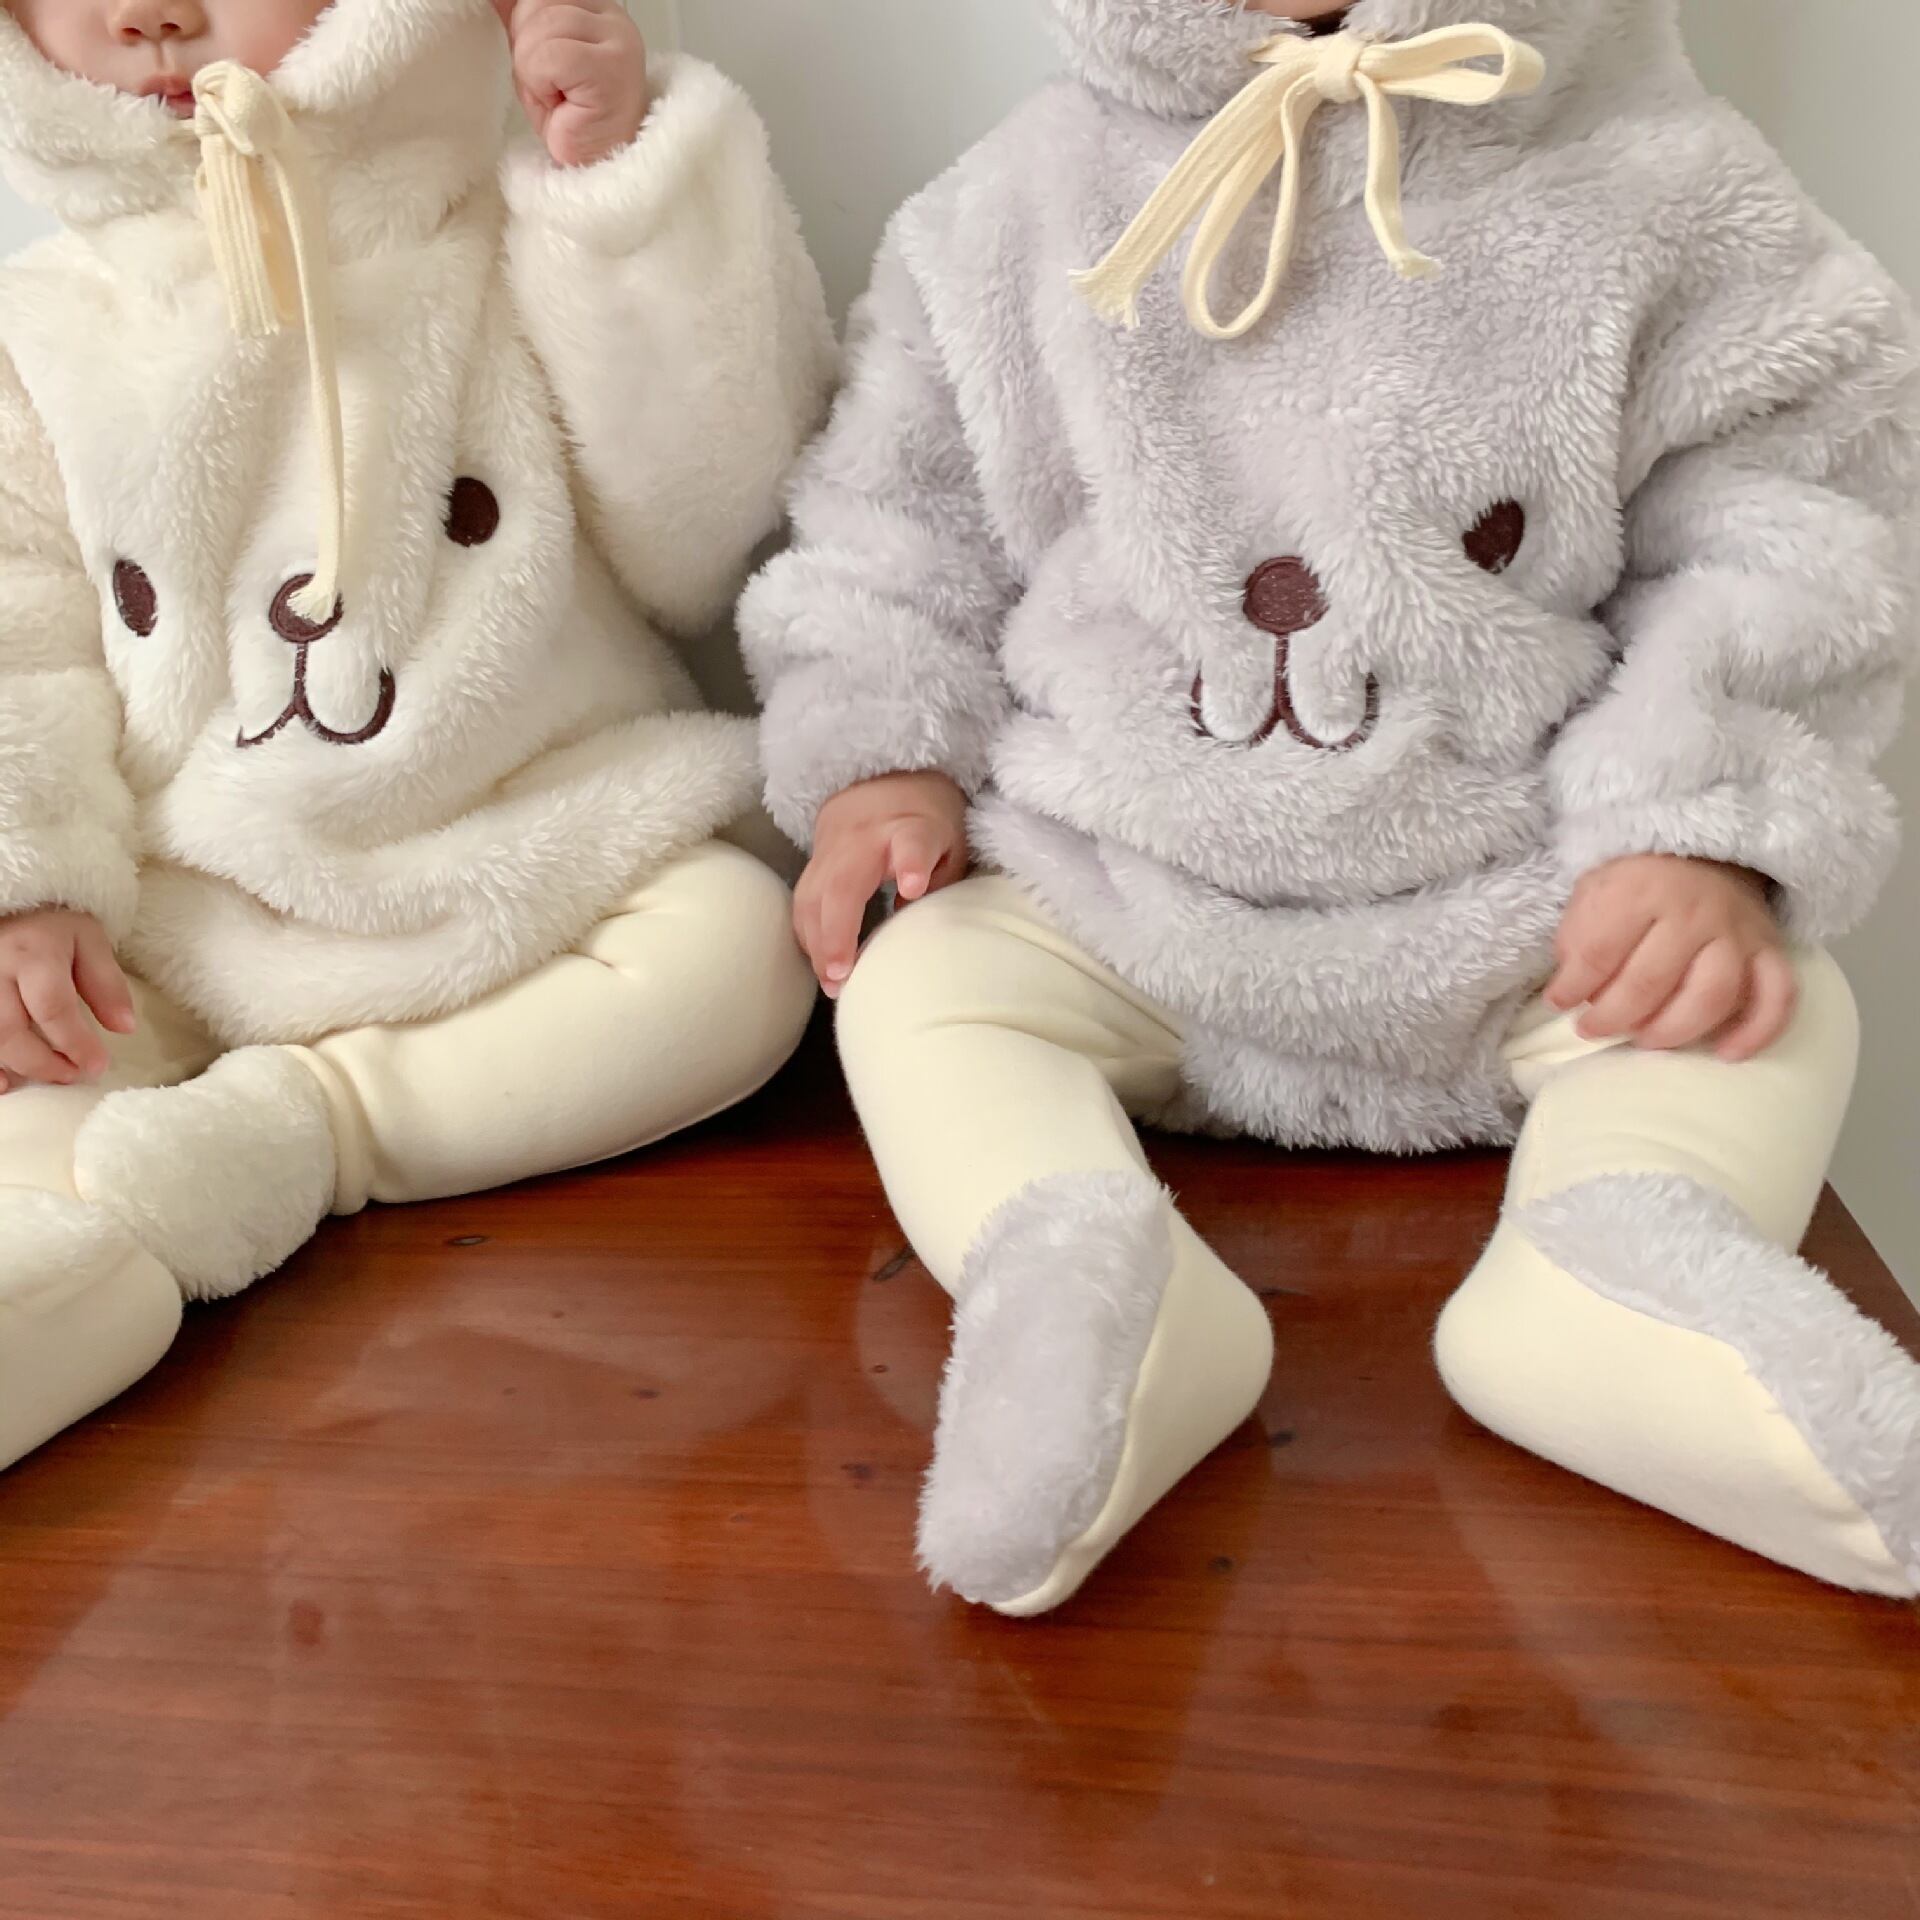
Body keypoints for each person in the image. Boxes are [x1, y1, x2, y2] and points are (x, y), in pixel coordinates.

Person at [744, 0, 1920, 1615]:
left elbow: (1794, 525)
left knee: (1773, 1004)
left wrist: (1690, 831)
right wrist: (882, 760)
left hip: (1526, 920)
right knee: (919, 984)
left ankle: (1612, 1274)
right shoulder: (1014, 205)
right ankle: (1080, 1265)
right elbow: (896, 528)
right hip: (1117, 899)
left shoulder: (1659, 181)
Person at [0, 0, 836, 1471]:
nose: (149, 17)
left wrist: (618, 188)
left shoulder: (506, 235)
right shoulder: (41, 326)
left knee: (736, 947)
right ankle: (74, 1262)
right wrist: (31, 885)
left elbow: (708, 530)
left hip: (527, 852)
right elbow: (17, 629)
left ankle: (318, 1128)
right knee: (40, 1072)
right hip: (183, 920)